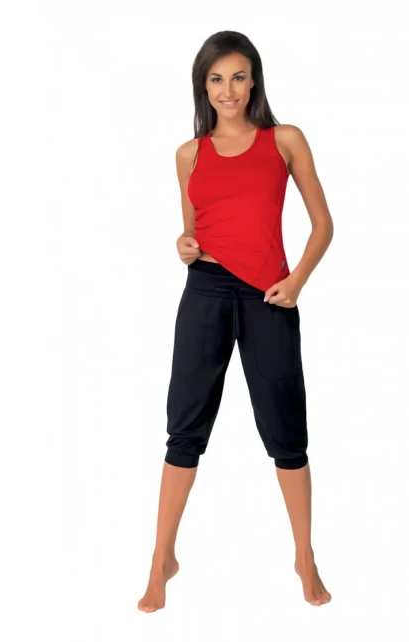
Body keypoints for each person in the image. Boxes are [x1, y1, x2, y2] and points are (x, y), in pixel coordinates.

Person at [138, 31, 334, 612]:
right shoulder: (189, 154)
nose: (229, 89)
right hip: (204, 291)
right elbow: (192, 231)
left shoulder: (285, 140)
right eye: (217, 78)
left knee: (285, 427)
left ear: (254, 81)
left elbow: (323, 224)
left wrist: (296, 282)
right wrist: (182, 243)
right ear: (204, 85)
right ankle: (161, 558)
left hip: (269, 295)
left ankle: (304, 555)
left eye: (239, 77)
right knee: (184, 425)